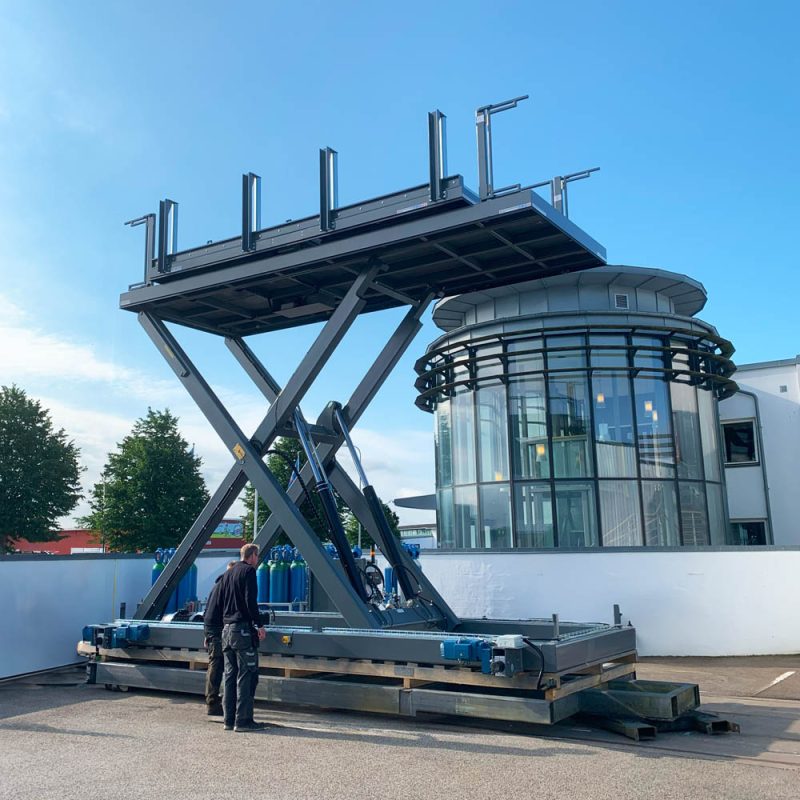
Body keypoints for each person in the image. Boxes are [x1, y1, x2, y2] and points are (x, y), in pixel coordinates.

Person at [219, 543, 267, 732]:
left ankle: (228, 720)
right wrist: (259, 624)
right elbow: (250, 600)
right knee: (246, 675)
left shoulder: (228, 573)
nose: (257, 560)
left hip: (227, 630)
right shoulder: (248, 571)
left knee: (230, 675)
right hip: (242, 630)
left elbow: (222, 601)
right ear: (253, 555)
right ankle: (244, 721)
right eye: (257, 556)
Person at [202, 559, 236, 716]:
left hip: (211, 629)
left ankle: (215, 700)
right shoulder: (227, 586)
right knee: (216, 664)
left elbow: (208, 610)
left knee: (216, 663)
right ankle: (212, 702)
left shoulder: (217, 585)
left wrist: (206, 634)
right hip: (216, 630)